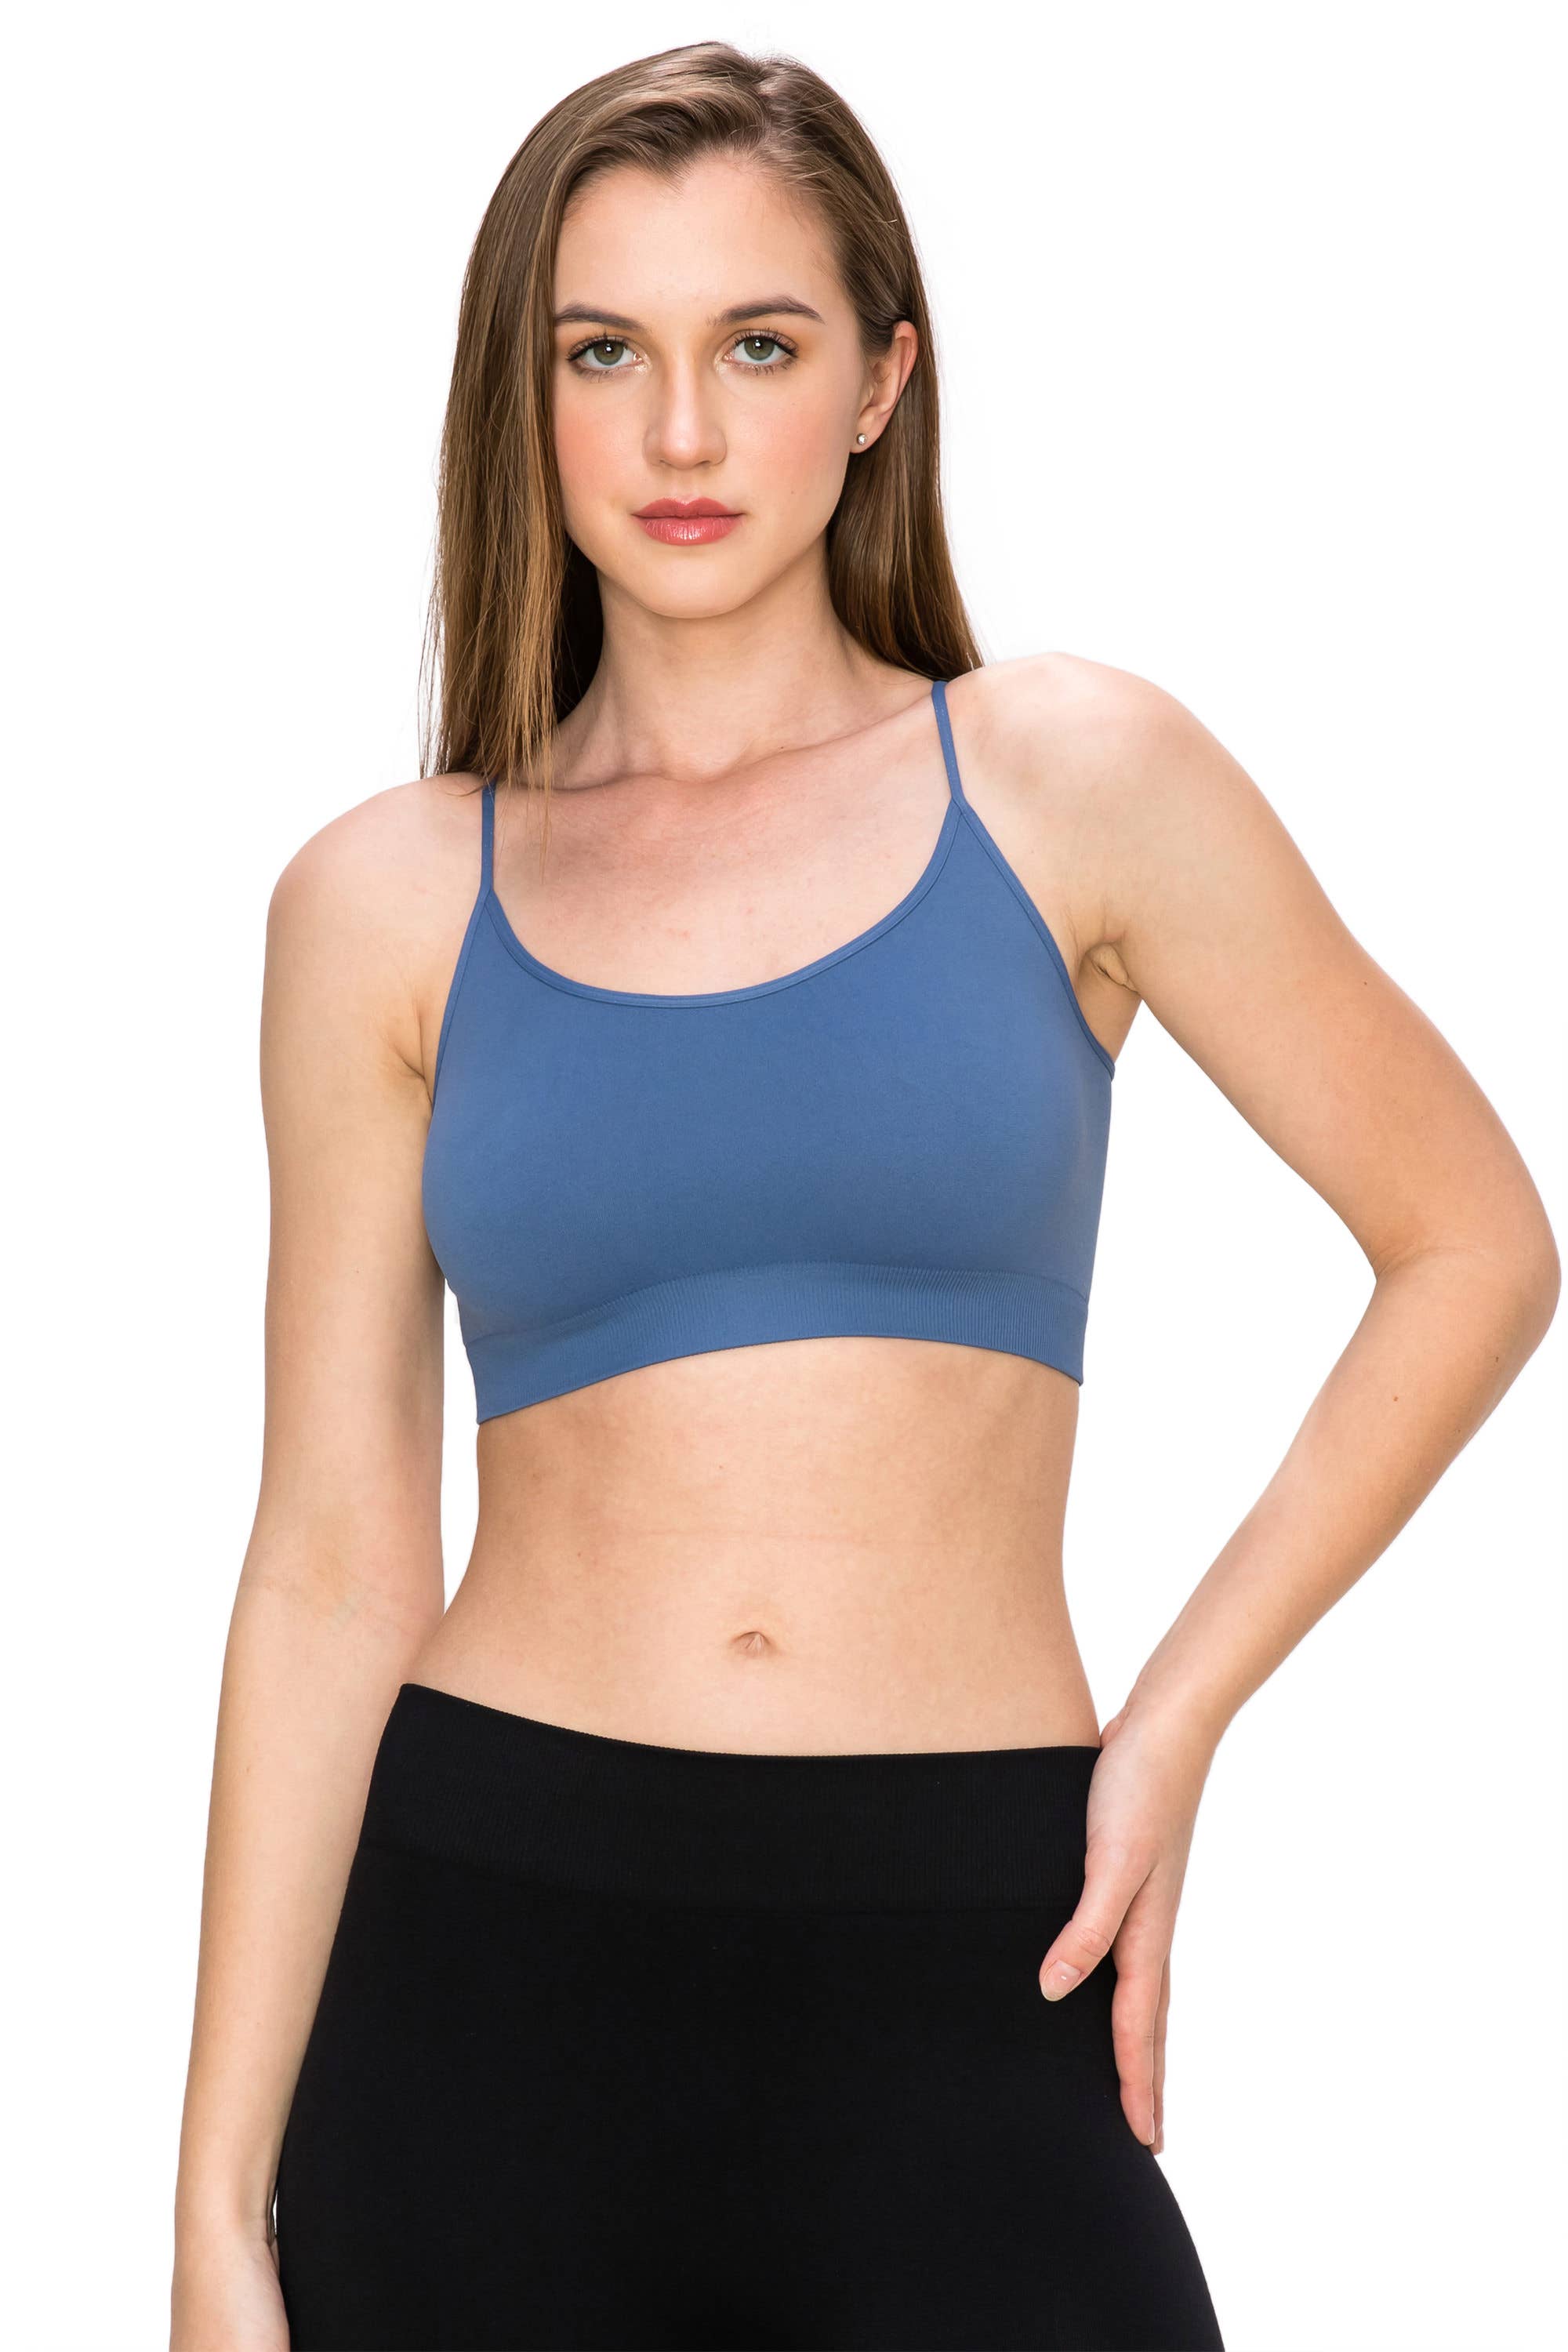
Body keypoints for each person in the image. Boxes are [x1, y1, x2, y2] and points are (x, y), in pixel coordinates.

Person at [169, 39, 1559, 2352]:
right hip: (492, 1964)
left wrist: (1175, 1720)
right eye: (602, 353)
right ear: (521, 397)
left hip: (971, 1938)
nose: (680, 434)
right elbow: (328, 1556)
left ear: (882, 383)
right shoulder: (382, 903)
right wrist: (219, 2209)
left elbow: (1474, 1241)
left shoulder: (1073, 777)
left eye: (759, 346)